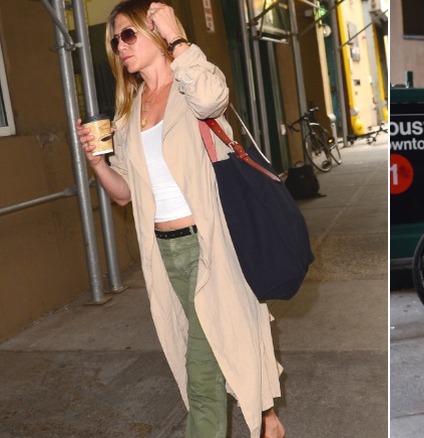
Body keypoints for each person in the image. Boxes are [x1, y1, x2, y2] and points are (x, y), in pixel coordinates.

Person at [76, 1, 285, 437]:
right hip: (165, 253)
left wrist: (178, 38)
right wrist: (97, 163)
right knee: (215, 349)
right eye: (114, 41)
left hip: (211, 247)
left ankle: (255, 419)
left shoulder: (193, 85)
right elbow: (125, 194)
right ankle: (267, 421)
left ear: (154, 31)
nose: (119, 46)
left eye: (128, 34)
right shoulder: (128, 113)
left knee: (202, 373)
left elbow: (213, 99)